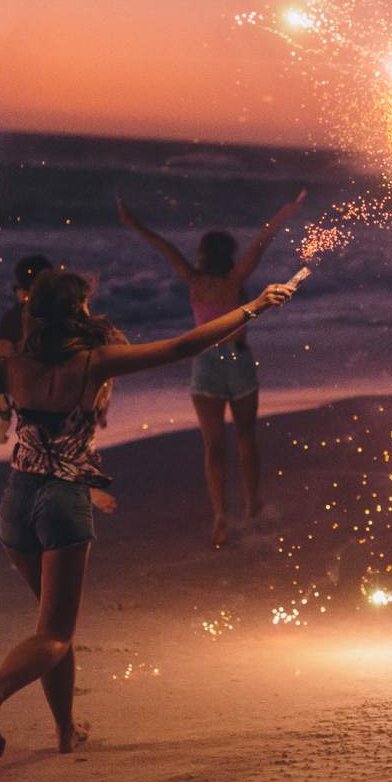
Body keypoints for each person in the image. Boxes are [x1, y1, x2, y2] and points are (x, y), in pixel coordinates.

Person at [0, 269, 298, 758]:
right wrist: (253, 307)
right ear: (78, 311)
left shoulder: (13, 368)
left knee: (51, 627)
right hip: (62, 502)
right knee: (57, 634)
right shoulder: (93, 363)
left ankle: (65, 732)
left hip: (16, 502)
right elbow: (182, 347)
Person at [117, 190, 306, 546]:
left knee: (213, 446)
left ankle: (220, 514)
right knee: (246, 437)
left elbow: (162, 245)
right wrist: (287, 210)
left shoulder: (193, 280)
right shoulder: (235, 280)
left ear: (203, 254)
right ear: (230, 253)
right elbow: (263, 240)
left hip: (204, 364)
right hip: (238, 359)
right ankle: (252, 504)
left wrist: (132, 222)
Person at [0, 254, 54, 449]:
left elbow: (0, 372)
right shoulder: (68, 314)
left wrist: (4, 417)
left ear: (24, 291)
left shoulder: (12, 319)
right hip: (70, 410)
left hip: (30, 405)